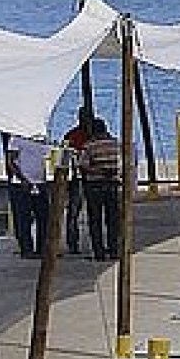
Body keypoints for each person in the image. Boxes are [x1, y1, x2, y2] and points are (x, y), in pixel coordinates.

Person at [81, 119, 121, 262]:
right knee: (112, 219)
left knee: (95, 220)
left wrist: (98, 170)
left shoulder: (89, 146)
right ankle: (114, 249)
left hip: (95, 185)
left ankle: (99, 252)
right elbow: (122, 163)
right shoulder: (116, 144)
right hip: (112, 185)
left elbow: (84, 165)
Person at [6, 133, 52, 257]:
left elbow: (48, 154)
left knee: (44, 217)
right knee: (23, 219)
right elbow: (11, 162)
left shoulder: (41, 139)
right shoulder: (16, 138)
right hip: (21, 184)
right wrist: (22, 179)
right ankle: (26, 250)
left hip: (40, 183)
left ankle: (41, 248)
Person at [63, 106, 94, 254]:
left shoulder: (92, 135)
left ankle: (85, 242)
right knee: (74, 213)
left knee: (84, 213)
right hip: (80, 178)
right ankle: (73, 243)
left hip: (88, 177)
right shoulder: (73, 135)